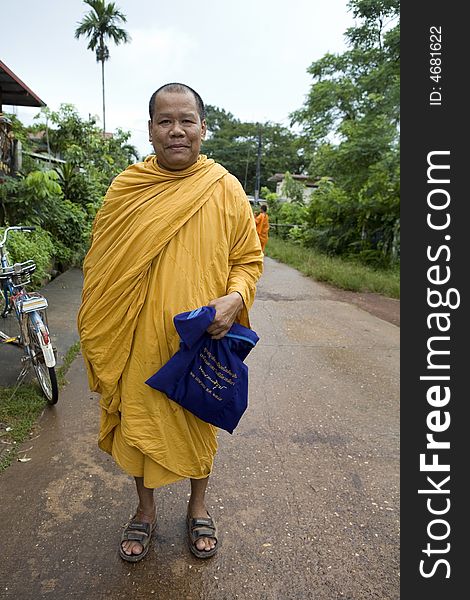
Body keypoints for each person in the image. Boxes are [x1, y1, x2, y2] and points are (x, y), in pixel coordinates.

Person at [77, 83, 263, 562]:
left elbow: (247, 259)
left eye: (186, 121)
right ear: (151, 130)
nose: (176, 131)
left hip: (199, 338)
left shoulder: (224, 188)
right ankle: (144, 511)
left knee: (199, 420)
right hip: (137, 337)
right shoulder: (127, 189)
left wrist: (234, 298)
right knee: (138, 421)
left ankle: (198, 505)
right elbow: (101, 265)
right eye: (166, 121)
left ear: (203, 127)